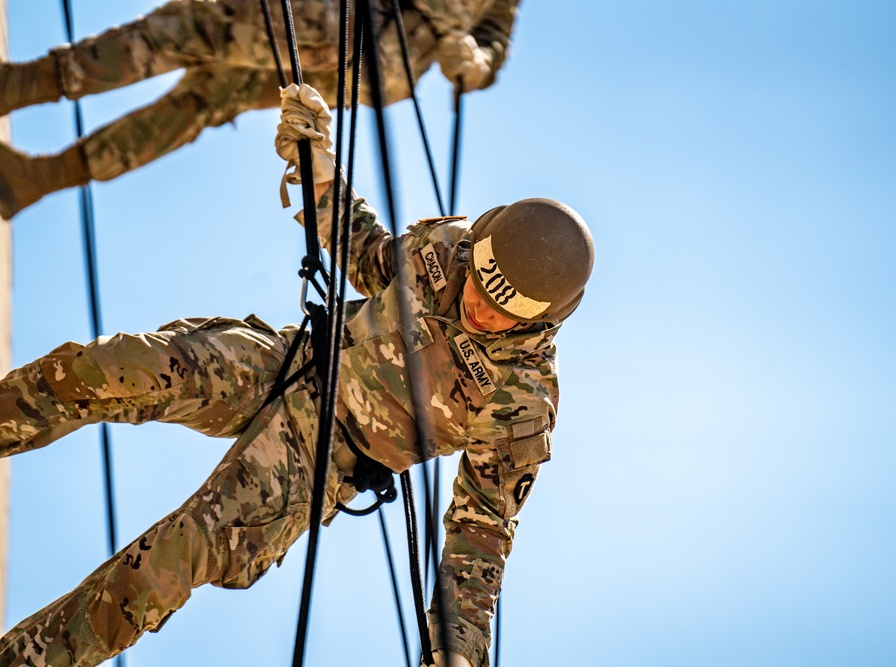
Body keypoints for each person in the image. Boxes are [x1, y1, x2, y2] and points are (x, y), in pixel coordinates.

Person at [0, 83, 594, 666]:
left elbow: (481, 533)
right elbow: (369, 256)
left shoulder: (525, 400)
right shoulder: (450, 247)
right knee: (116, 367)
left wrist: (458, 652)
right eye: (480, 285)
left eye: (503, 312)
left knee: (168, 565)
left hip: (324, 460)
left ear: (542, 319)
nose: (479, 308)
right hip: (292, 361)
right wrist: (320, 173)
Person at [0, 0, 519, 219]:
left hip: (374, 50)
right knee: (209, 92)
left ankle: (22, 95)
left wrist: (472, 63)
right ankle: (36, 177)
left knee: (195, 31)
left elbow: (492, 43)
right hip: (371, 56)